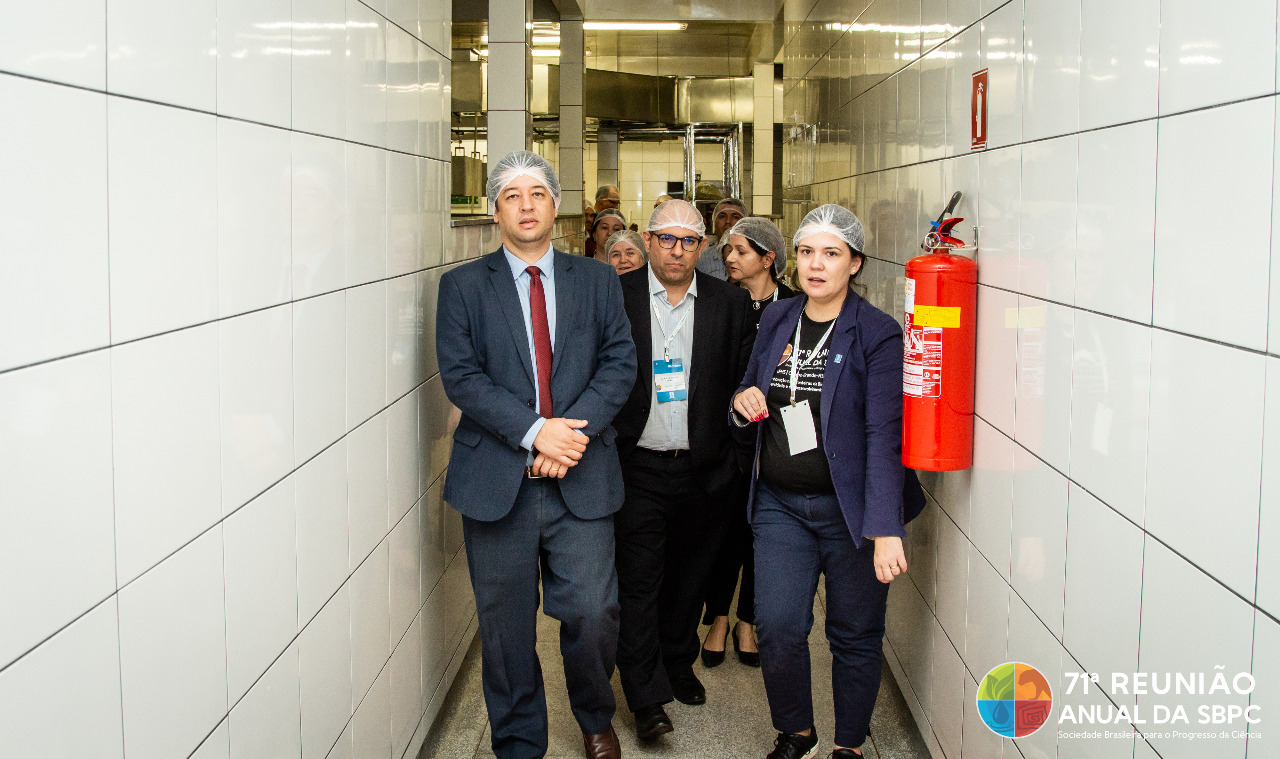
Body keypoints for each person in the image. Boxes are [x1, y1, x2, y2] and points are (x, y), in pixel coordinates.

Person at [436, 150, 638, 759]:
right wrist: (533, 433)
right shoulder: (462, 287)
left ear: (556, 206)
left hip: (582, 476)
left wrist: (566, 438)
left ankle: (594, 715)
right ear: (495, 211)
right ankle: (520, 741)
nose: (526, 206)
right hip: (498, 482)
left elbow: (619, 363)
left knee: (594, 611)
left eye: (538, 194)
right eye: (512, 196)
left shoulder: (597, 280)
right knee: (504, 626)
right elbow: (463, 378)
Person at [730, 204, 924, 759]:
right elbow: (747, 390)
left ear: (854, 263)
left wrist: (885, 528)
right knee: (778, 627)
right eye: (807, 252)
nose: (816, 265)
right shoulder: (777, 317)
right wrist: (742, 404)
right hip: (780, 506)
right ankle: (797, 732)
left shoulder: (877, 334)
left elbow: (884, 434)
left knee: (854, 634)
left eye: (831, 254)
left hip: (852, 510)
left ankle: (850, 745)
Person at [611, 199, 756, 741]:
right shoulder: (617, 296)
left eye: (688, 241)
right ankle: (645, 695)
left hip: (704, 469)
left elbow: (745, 381)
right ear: (648, 241)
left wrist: (732, 460)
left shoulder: (729, 303)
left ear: (703, 247)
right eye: (666, 239)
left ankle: (677, 661)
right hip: (637, 465)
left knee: (689, 578)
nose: (676, 250)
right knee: (639, 581)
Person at [699, 217, 797, 670]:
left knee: (763, 534)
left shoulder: (795, 307)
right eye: (728, 250)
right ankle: (717, 618)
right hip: (726, 437)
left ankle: (747, 622)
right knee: (724, 533)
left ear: (768, 258)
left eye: (740, 251)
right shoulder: (723, 302)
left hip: (775, 439)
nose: (730, 258)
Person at [695, 198, 746, 280]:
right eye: (722, 217)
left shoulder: (752, 258)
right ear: (714, 224)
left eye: (735, 217)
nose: (728, 221)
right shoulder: (700, 261)